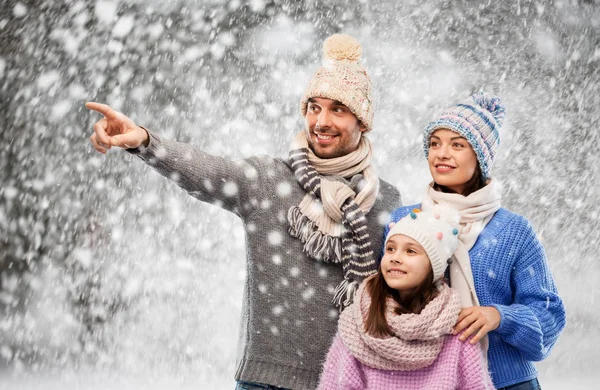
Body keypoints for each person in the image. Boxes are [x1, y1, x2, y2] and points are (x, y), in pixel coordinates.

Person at [86, 34, 401, 390]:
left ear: (362, 121)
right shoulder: (270, 179)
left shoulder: (386, 201)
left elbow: (411, 287)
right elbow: (206, 171)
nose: (321, 121)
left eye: (338, 109)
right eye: (314, 107)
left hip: (347, 381)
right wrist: (145, 141)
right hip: (263, 381)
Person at [386, 92, 566, 389]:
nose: (442, 153)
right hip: (424, 379)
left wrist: (500, 316)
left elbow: (549, 316)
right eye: (435, 143)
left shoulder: (514, 230)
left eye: (457, 144)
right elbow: (382, 303)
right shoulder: (405, 221)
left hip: (506, 382)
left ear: (480, 157)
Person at [318, 208, 494, 389]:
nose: (395, 257)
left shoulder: (457, 328)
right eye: (391, 249)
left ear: (434, 267)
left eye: (410, 251)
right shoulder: (357, 321)